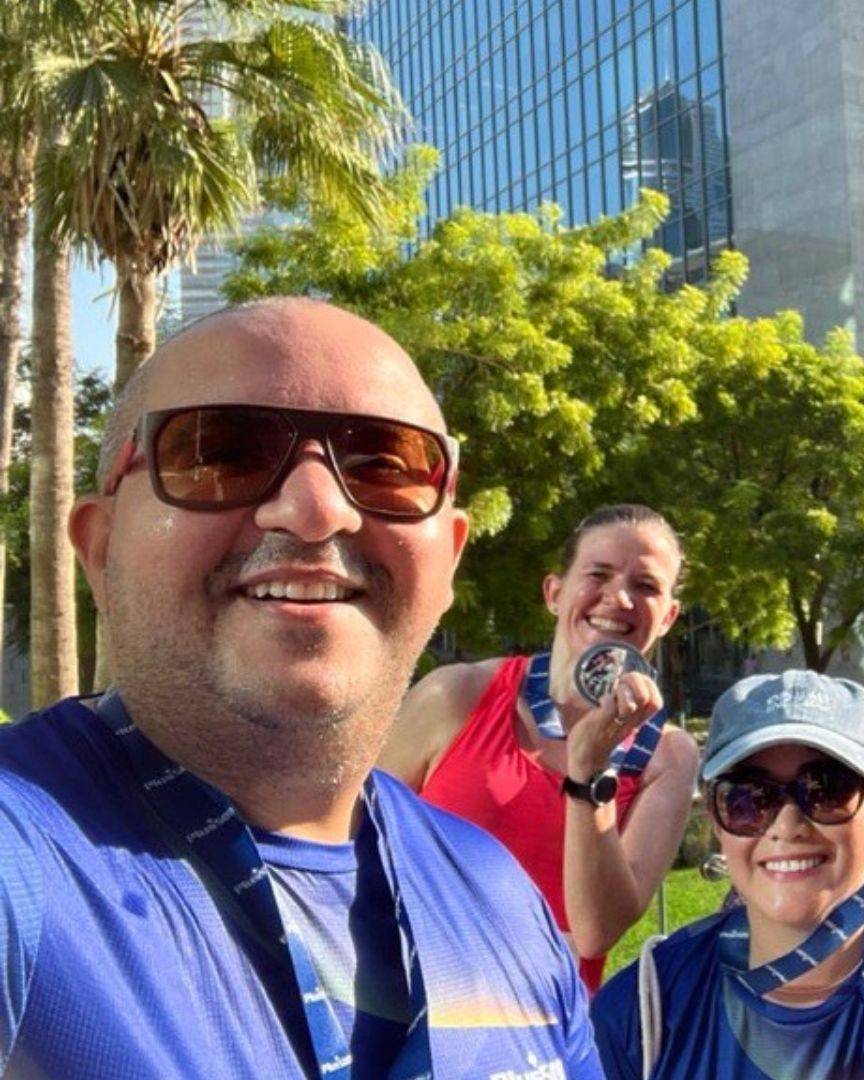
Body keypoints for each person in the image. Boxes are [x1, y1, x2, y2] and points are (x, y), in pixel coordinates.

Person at [0, 299, 599, 1077]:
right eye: (222, 451)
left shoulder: (499, 897)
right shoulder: (23, 863)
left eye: (386, 464)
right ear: (101, 548)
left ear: (448, 559)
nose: (318, 509)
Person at [592, 671, 864, 1079]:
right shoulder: (647, 1002)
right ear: (718, 824)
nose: (787, 824)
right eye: (748, 798)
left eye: (826, 789)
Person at [381, 503, 699, 990]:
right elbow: (344, 837)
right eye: (599, 574)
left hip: (544, 1037)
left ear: (669, 616)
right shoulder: (457, 695)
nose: (620, 598)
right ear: (554, 592)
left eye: (646, 586)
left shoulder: (667, 757)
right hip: (408, 1010)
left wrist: (589, 771)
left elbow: (595, 933)